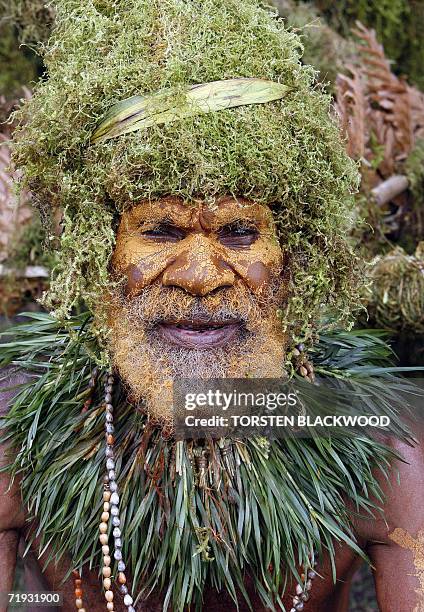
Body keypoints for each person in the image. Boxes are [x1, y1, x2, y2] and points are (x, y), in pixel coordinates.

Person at [0, 1, 423, 610]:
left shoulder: (383, 450)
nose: (201, 278)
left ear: (295, 262)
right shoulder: (19, 436)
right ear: (98, 257)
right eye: (162, 230)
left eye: (239, 232)